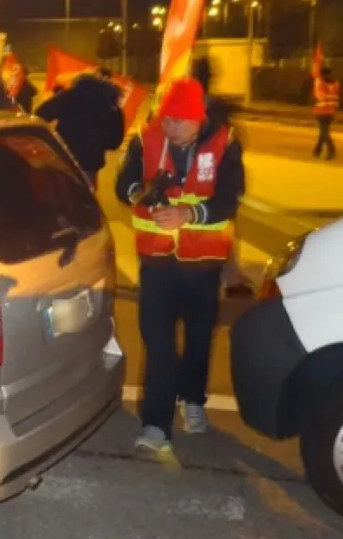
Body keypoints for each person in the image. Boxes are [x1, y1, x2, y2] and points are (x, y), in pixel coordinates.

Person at [115, 77, 246, 455]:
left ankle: (192, 401)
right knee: (158, 343)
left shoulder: (226, 143)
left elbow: (228, 200)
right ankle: (156, 424)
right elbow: (122, 186)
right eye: (166, 120)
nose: (170, 129)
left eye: (179, 122)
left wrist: (189, 212)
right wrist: (143, 192)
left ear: (199, 120)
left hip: (203, 264)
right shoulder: (147, 138)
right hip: (156, 262)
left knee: (199, 338)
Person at [192, 57, 254, 299]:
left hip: (196, 175)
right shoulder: (216, 107)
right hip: (213, 175)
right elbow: (231, 142)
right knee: (222, 228)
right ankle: (230, 279)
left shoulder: (187, 102)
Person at [35, 72, 125, 188]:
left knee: (61, 197)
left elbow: (40, 115)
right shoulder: (110, 104)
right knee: (85, 200)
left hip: (65, 157)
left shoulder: (67, 97)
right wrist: (97, 142)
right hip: (90, 163)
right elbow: (115, 142)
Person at [313, 67, 340, 160]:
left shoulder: (320, 82)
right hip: (331, 111)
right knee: (323, 131)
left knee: (324, 132)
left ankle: (332, 151)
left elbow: (318, 95)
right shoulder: (336, 83)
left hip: (322, 110)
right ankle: (317, 150)